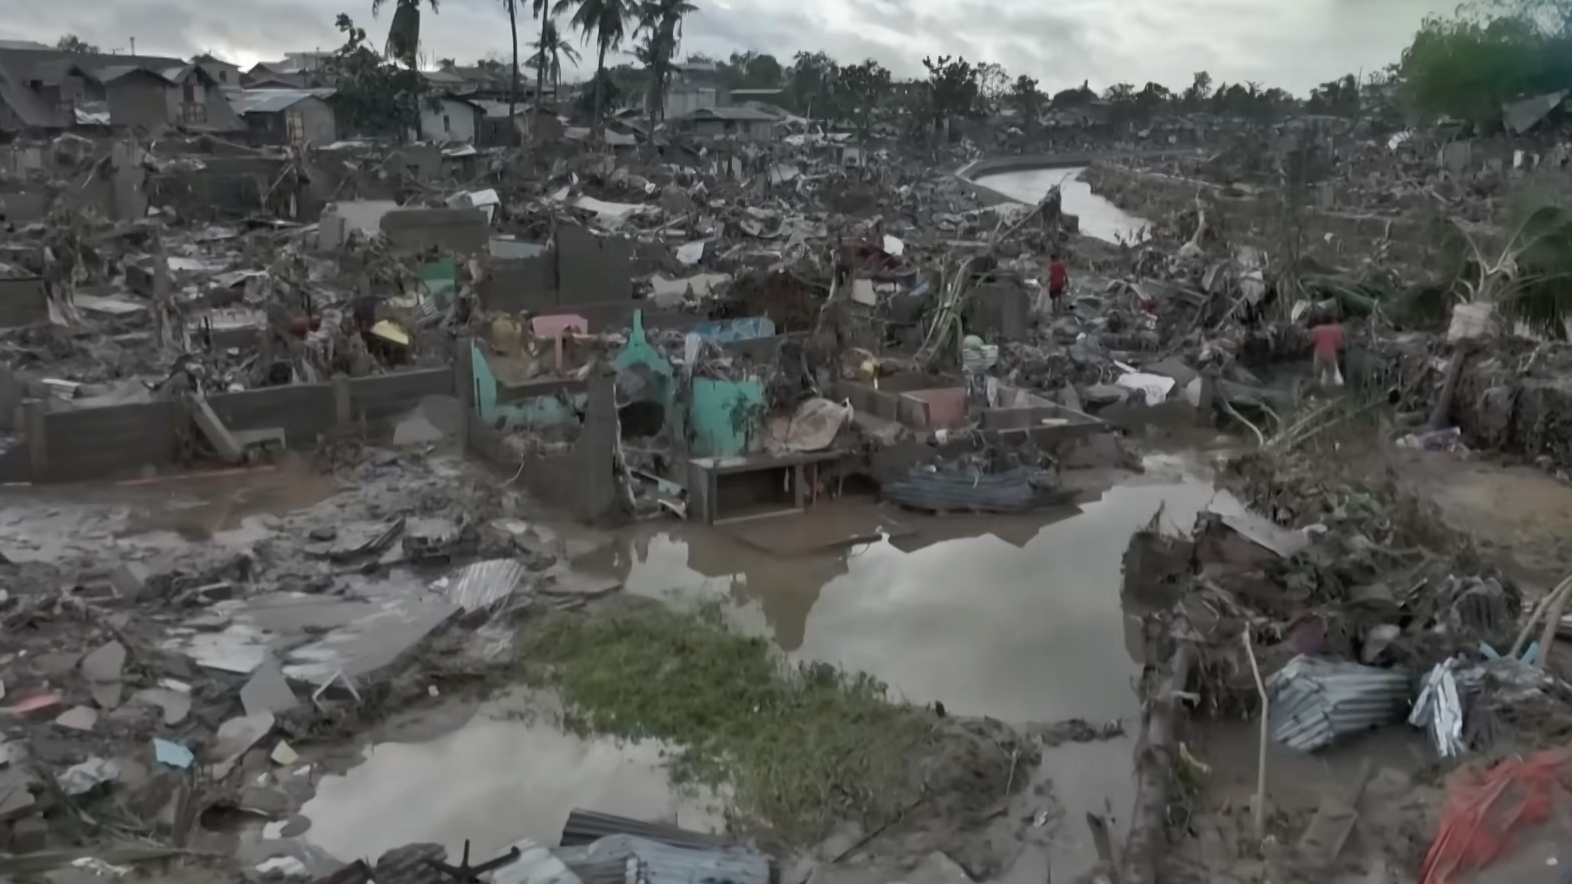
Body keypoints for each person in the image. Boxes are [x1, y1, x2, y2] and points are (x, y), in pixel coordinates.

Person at [1310, 314, 1345, 389]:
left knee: (1317, 373)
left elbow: (1311, 340)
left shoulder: (1316, 329)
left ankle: (1316, 389)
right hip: (1331, 354)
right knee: (1330, 373)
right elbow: (1340, 342)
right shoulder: (1336, 329)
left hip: (1319, 354)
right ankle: (1328, 389)